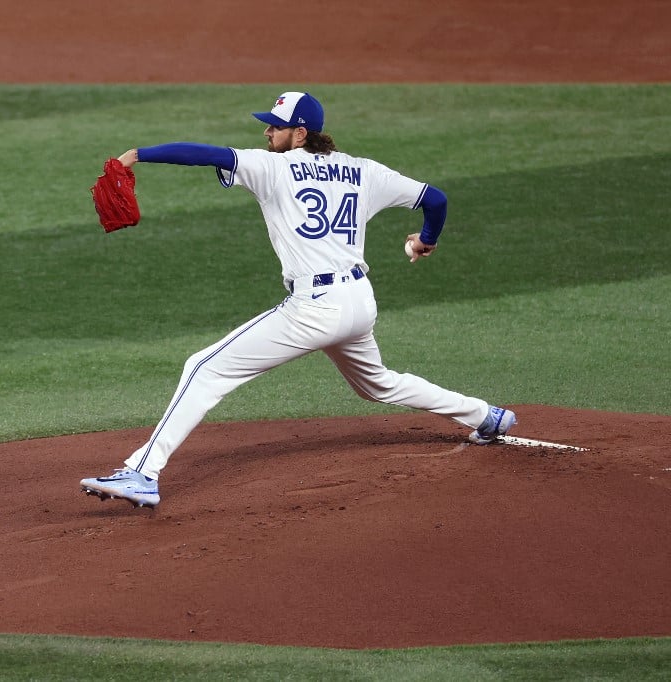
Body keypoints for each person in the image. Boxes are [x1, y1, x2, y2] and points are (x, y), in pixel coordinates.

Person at [80, 91, 516, 508]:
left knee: (204, 367)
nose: (268, 133)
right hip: (359, 302)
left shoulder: (274, 169)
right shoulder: (363, 170)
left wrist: (137, 154)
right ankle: (484, 416)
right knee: (377, 384)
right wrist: (425, 240)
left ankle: (143, 472)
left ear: (301, 133)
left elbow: (208, 154)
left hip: (315, 307)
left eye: (276, 127)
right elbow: (435, 199)